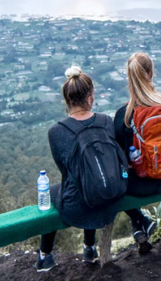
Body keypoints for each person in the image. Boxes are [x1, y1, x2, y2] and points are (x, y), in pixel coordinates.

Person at [35, 65, 120, 272]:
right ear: (90, 97)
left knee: (55, 190)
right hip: (110, 199)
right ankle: (89, 247)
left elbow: (67, 173)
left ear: (67, 99)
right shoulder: (106, 121)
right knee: (91, 178)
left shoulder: (56, 132)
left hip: (78, 209)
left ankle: (45, 255)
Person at [114, 52, 161, 253]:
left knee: (116, 181)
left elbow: (120, 158)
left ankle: (139, 220)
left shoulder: (124, 115)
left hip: (139, 184)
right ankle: (141, 226)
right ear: (151, 73)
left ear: (129, 78)